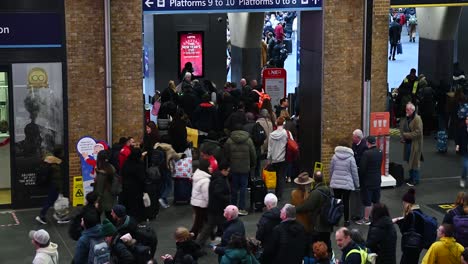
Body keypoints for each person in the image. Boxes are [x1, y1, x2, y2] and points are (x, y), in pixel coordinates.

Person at [296, 171, 333, 254]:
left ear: (314, 179)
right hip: (328, 221)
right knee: (327, 242)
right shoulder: (327, 189)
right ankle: (328, 257)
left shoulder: (316, 192)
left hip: (319, 224)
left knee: (317, 245)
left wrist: (295, 209)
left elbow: (308, 206)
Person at [196, 160, 231, 248]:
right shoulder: (220, 180)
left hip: (214, 207)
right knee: (224, 225)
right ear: (223, 170)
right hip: (218, 208)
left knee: (210, 226)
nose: (228, 172)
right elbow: (217, 193)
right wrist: (227, 198)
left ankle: (199, 243)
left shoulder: (216, 177)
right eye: (228, 170)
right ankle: (229, 241)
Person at [224, 123, 256, 216]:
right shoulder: (248, 140)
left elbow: (226, 154)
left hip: (233, 167)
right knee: (243, 188)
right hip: (245, 168)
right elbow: (253, 154)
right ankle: (242, 208)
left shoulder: (229, 140)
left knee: (234, 188)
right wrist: (252, 165)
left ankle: (233, 208)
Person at [329, 139, 360, 227]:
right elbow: (354, 172)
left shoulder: (334, 156)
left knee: (337, 201)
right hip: (347, 184)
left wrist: (331, 180)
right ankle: (346, 221)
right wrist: (357, 184)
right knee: (346, 202)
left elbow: (331, 170)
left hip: (336, 183)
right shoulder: (351, 158)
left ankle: (336, 219)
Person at [36, 146, 66, 225]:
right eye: (62, 152)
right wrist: (59, 187)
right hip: (54, 186)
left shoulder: (51, 161)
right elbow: (57, 177)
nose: (63, 154)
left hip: (53, 185)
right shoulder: (55, 164)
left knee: (54, 200)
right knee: (50, 201)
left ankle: (59, 216)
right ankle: (42, 216)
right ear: (59, 154)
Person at [357, 136, 383, 225]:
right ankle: (376, 217)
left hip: (368, 181)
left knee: (367, 201)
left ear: (368, 143)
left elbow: (362, 169)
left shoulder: (366, 154)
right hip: (377, 179)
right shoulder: (380, 152)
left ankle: (366, 219)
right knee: (376, 200)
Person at [393, 188, 424, 264]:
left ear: (407, 203)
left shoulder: (410, 214)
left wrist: (398, 222)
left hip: (410, 244)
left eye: (404, 203)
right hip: (418, 244)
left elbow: (404, 230)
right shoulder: (418, 212)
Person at [400, 102, 423, 186]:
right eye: (406, 109)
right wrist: (403, 137)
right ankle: (411, 177)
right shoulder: (408, 117)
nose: (406, 111)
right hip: (408, 143)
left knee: (414, 162)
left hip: (415, 144)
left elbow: (418, 132)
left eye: (408, 109)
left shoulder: (417, 119)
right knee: (409, 161)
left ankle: (415, 179)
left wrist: (406, 135)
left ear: (412, 110)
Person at [120, 148, 146, 222]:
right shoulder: (139, 164)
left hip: (126, 187)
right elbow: (142, 178)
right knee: (137, 205)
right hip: (137, 188)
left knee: (128, 204)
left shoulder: (126, 162)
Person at [267, 116, 289, 200]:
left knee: (275, 176)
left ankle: (275, 192)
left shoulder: (271, 135)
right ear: (284, 124)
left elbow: (270, 148)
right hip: (283, 158)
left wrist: (269, 159)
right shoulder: (286, 133)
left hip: (274, 159)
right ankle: (279, 195)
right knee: (281, 177)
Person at [190, 158, 212, 238]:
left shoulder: (197, 176)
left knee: (202, 221)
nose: (211, 168)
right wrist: (210, 204)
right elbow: (206, 195)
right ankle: (191, 237)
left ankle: (209, 235)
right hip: (202, 204)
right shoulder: (205, 180)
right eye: (209, 167)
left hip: (196, 202)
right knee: (198, 223)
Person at [94, 150, 117, 220]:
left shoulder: (101, 173)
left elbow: (99, 188)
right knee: (110, 216)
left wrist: (96, 200)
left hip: (104, 198)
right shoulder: (111, 167)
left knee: (98, 217)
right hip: (112, 195)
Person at [456, 116, 468, 187]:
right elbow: (458, 136)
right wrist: (457, 145)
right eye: (466, 119)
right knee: (465, 166)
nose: (467, 121)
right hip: (465, 150)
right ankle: (463, 179)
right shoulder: (462, 127)